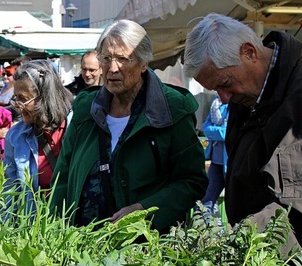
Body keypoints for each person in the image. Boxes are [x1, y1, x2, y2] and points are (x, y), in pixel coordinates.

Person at [50, 19, 207, 232]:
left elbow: (192, 180)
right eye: (106, 58)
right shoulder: (86, 109)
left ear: (144, 63)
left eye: (123, 59)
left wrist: (145, 210)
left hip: (145, 249)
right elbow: (63, 178)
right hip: (82, 245)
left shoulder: (171, 110)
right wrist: (53, 233)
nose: (113, 68)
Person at [184, 13, 302, 249]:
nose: (224, 98)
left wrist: (238, 240)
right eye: (215, 89)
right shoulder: (245, 97)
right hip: (262, 256)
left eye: (225, 84)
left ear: (249, 52)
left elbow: (296, 203)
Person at [4, 60, 74, 196]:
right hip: (35, 216)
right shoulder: (15, 136)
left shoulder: (76, 128)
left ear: (44, 97)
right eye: (15, 98)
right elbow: (10, 190)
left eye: (23, 99)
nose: (17, 105)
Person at [200, 96, 229, 216]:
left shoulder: (233, 105)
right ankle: (204, 231)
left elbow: (226, 133)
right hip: (216, 162)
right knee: (206, 199)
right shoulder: (215, 103)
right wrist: (217, 130)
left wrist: (213, 131)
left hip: (230, 162)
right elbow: (204, 127)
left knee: (234, 201)